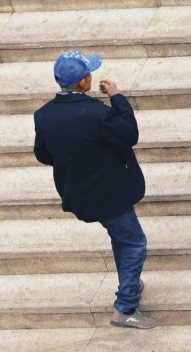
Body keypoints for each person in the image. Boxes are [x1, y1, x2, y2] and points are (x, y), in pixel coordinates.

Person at [33, 49, 156, 329]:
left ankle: (131, 283)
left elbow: (43, 154)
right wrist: (117, 97)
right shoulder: (96, 113)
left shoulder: (44, 115)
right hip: (109, 194)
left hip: (80, 194)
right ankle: (125, 308)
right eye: (89, 73)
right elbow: (129, 134)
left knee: (120, 238)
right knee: (135, 243)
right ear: (83, 83)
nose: (91, 76)